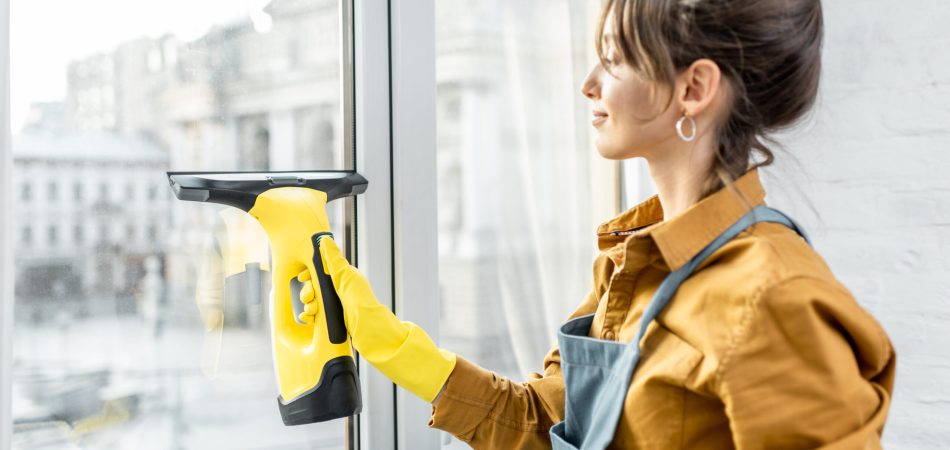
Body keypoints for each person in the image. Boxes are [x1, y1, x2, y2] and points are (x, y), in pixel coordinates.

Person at [297, 0, 896, 448]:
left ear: (693, 88)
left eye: (612, 57)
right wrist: (394, 346)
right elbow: (546, 424)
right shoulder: (634, 259)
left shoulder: (772, 299)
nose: (589, 83)